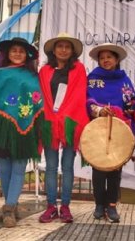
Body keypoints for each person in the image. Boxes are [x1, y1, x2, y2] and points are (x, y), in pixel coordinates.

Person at [0, 37, 43, 228]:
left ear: (27, 55)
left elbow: (38, 101)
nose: (17, 53)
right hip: (1, 129)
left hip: (24, 130)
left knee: (18, 169)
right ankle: (11, 208)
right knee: (4, 170)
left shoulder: (33, 77)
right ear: (7, 53)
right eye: (13, 50)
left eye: (21, 51)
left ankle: (8, 208)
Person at [86, 43, 135, 223]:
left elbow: (132, 101)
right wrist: (99, 110)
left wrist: (131, 108)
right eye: (102, 58)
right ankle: (99, 204)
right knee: (99, 170)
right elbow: (88, 99)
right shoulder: (93, 79)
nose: (106, 60)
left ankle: (111, 205)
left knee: (115, 170)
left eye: (109, 57)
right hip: (98, 130)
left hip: (119, 130)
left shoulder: (123, 79)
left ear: (117, 60)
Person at [37, 32, 89, 223]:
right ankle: (51, 206)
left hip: (70, 123)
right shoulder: (44, 71)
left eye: (68, 47)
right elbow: (41, 95)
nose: (64, 50)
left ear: (72, 51)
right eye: (60, 46)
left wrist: (66, 115)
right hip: (49, 122)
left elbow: (79, 96)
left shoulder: (79, 69)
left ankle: (65, 206)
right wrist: (50, 115)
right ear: (54, 50)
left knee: (67, 167)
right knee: (51, 167)